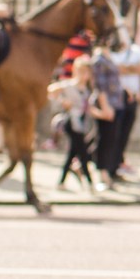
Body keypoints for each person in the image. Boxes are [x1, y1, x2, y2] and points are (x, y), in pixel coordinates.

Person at [49, 57, 107, 190]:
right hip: (71, 122)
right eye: (81, 72)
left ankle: (61, 182)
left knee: (72, 153)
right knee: (83, 153)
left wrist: (101, 114)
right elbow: (51, 90)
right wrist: (62, 101)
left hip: (82, 124)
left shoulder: (87, 89)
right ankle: (90, 182)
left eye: (86, 72)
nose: (84, 75)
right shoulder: (68, 85)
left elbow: (88, 109)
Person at [88, 39, 128, 189]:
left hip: (116, 103)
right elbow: (100, 85)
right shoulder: (99, 59)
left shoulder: (109, 56)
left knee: (111, 139)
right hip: (107, 105)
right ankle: (102, 174)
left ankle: (95, 169)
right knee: (105, 140)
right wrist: (105, 106)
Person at [113, 35, 140, 178]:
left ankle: (118, 163)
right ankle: (112, 165)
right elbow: (115, 69)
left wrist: (126, 69)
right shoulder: (113, 51)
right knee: (114, 133)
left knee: (125, 133)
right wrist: (135, 68)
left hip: (133, 97)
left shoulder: (136, 50)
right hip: (117, 98)